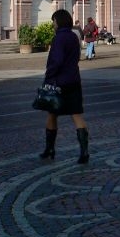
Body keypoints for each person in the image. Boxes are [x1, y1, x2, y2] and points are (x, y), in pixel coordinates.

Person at [38, 9, 89, 164]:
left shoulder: (59, 38)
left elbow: (56, 61)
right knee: (76, 115)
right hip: (73, 80)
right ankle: (84, 151)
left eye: (53, 21)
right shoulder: (74, 36)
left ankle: (50, 148)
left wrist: (48, 76)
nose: (53, 24)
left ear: (58, 22)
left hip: (58, 83)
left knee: (52, 114)